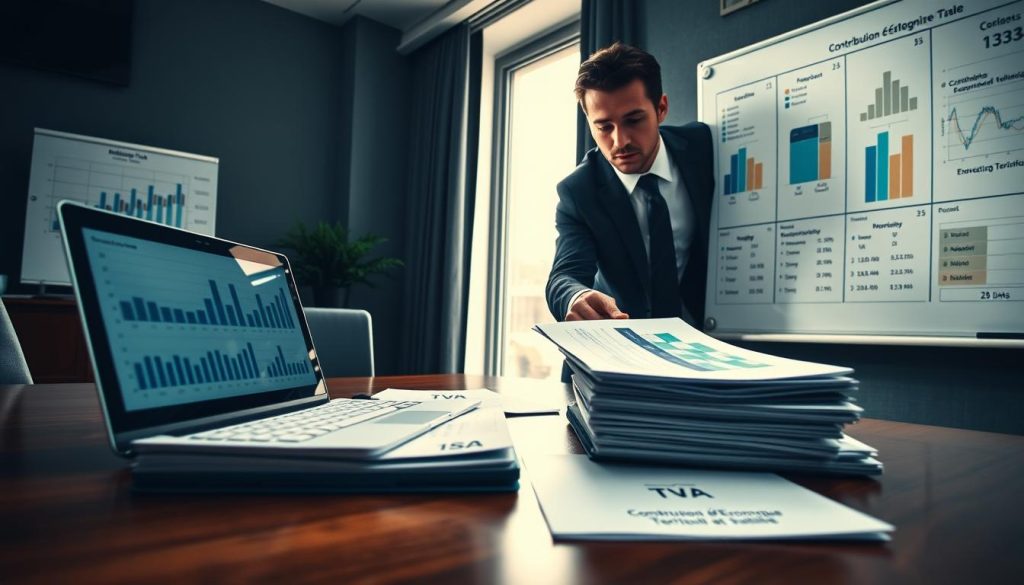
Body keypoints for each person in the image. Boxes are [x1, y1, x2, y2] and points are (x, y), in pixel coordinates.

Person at [546, 42, 714, 339]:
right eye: (603, 127)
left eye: (633, 120)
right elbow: (564, 276)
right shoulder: (578, 191)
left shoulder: (702, 147)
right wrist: (576, 297)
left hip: (702, 343)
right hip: (615, 350)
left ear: (661, 108)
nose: (619, 140)